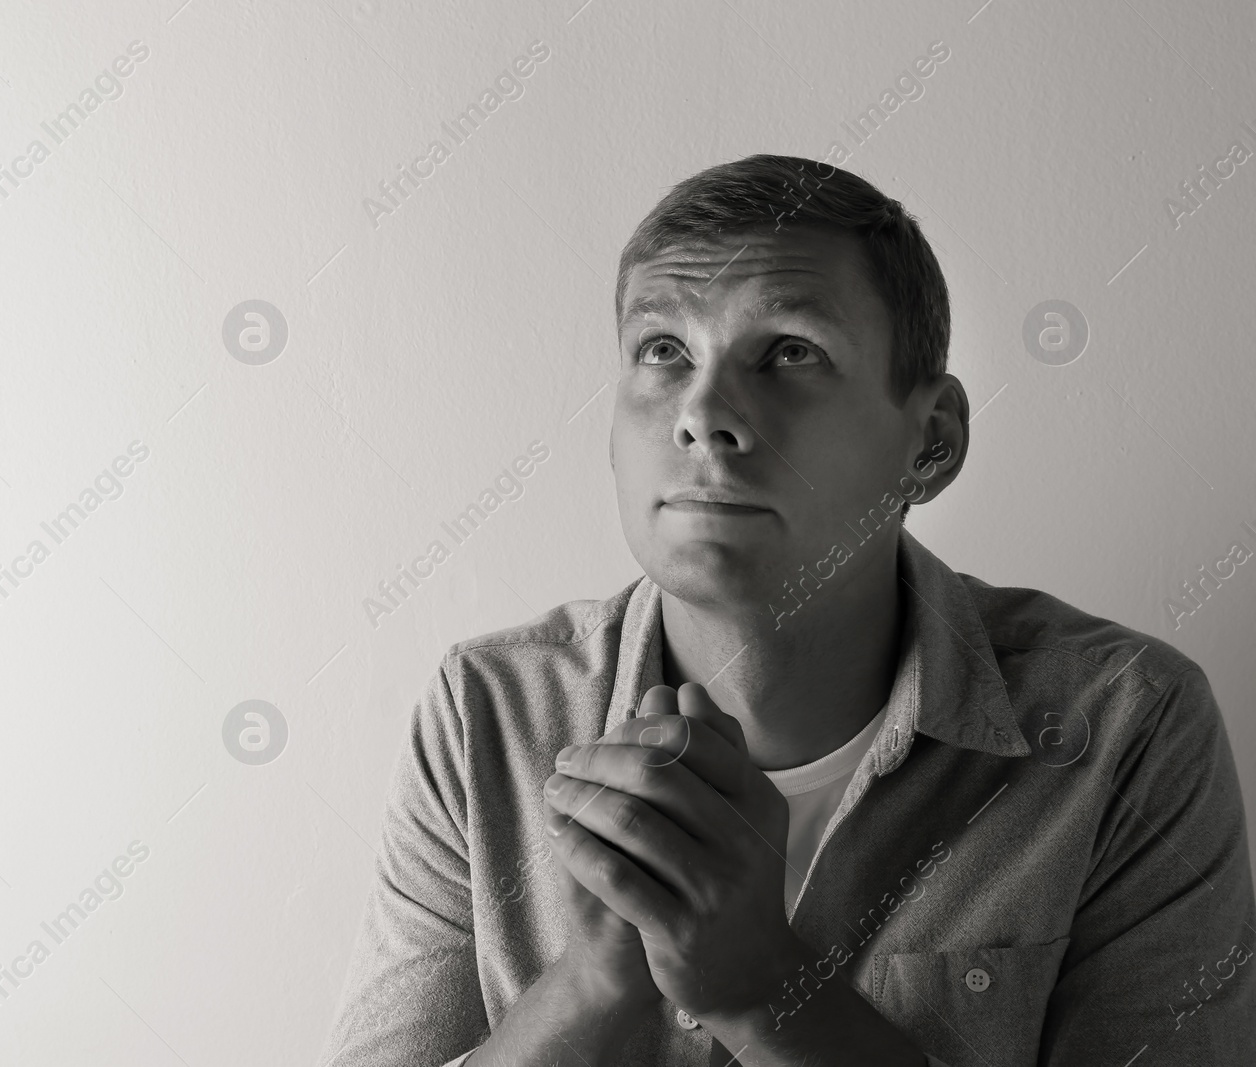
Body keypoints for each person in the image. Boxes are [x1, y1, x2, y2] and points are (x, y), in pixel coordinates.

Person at [318, 155, 1256, 1066]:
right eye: (664, 351)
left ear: (930, 442)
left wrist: (761, 987)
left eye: (790, 352)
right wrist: (593, 983)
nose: (704, 411)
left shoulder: (1126, 729)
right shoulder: (485, 716)